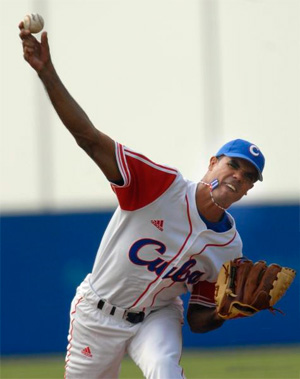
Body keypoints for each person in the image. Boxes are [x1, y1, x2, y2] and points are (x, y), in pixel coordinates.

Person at [19, 23, 265, 379]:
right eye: (233, 165)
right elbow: (88, 138)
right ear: (213, 163)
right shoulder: (159, 186)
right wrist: (48, 74)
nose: (238, 176)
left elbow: (198, 320)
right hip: (97, 315)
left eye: (248, 176)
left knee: (166, 372)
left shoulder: (228, 247)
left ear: (248, 190)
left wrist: (224, 313)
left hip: (158, 316)